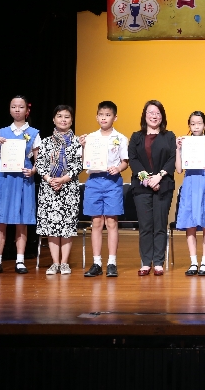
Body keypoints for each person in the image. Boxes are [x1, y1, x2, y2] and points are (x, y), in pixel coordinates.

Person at [0, 95, 41, 275]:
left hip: (23, 179)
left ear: (27, 110)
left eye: (20, 107)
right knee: (0, 220)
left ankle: (20, 260)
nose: (17, 109)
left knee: (21, 220)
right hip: (3, 179)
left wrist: (33, 171)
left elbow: (39, 161)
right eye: (13, 106)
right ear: (10, 109)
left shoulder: (34, 133)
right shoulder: (2, 132)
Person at [79, 101, 129, 278]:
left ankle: (112, 262)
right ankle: (97, 262)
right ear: (96, 117)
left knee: (111, 222)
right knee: (96, 223)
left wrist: (118, 168)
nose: (104, 118)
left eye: (108, 115)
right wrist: (83, 146)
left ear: (115, 117)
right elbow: (84, 162)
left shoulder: (121, 138)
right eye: (101, 114)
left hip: (112, 182)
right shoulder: (90, 138)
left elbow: (125, 161)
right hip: (94, 181)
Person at [129, 100, 177, 276]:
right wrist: (147, 178)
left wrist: (159, 177)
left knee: (160, 224)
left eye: (158, 113)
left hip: (163, 185)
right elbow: (133, 159)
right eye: (151, 112)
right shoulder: (136, 136)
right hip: (141, 187)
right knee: (145, 226)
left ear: (162, 116)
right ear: (145, 115)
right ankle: (145, 262)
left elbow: (173, 158)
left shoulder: (169, 136)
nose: (154, 116)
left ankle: (158, 262)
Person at [35, 105, 82, 275]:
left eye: (67, 117)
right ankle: (55, 263)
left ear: (72, 120)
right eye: (60, 116)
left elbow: (79, 165)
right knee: (52, 226)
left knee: (67, 226)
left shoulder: (77, 142)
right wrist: (50, 179)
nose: (63, 119)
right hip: (49, 188)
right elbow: (40, 164)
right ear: (53, 119)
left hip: (69, 188)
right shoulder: (46, 142)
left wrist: (62, 179)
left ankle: (64, 263)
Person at [175, 111, 205, 276]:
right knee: (190, 223)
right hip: (190, 184)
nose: (196, 127)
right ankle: (193, 262)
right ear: (189, 126)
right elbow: (179, 170)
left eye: (199, 123)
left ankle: (204, 262)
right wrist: (178, 149)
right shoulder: (184, 143)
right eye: (192, 124)